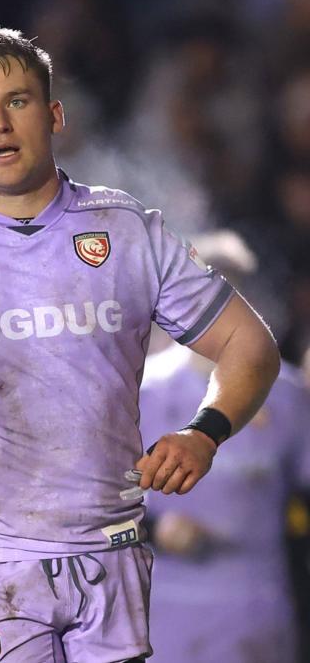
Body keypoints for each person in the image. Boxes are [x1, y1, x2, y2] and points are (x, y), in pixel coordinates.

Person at [0, 22, 280, 662]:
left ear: (54, 113)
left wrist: (205, 431)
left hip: (112, 551)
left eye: (18, 101)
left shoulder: (125, 229)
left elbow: (250, 345)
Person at [139, 230, 310, 662]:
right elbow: (96, 499)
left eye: (236, 293)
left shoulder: (287, 394)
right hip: (167, 607)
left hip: (258, 606)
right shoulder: (144, 390)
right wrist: (156, 531)